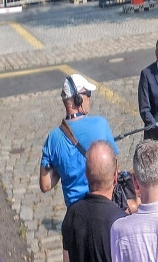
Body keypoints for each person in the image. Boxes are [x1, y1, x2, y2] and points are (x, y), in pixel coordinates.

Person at [38, 74, 119, 209]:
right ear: (78, 98)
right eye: (88, 93)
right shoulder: (100, 124)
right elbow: (115, 164)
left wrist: (62, 165)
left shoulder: (53, 138)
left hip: (75, 213)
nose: (90, 97)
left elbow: (45, 185)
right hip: (102, 207)